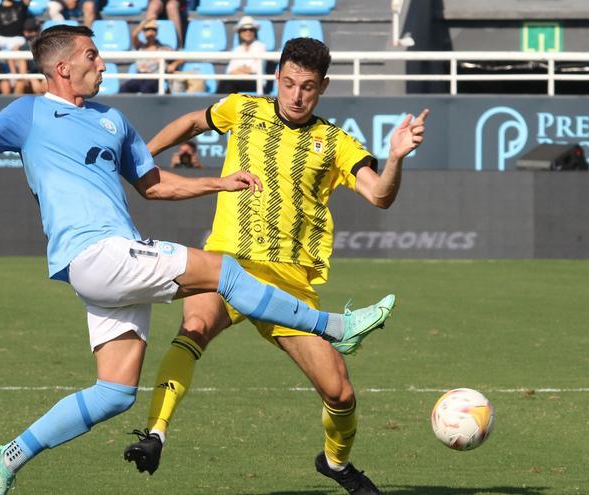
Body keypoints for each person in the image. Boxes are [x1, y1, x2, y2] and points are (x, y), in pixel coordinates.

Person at [0, 25, 394, 495]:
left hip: (115, 260)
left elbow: (154, 185)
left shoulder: (112, 121)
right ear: (63, 68)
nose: (102, 64)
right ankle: (335, 327)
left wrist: (216, 184)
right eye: (92, 56)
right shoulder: (29, 112)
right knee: (224, 272)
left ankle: (7, 457)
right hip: (96, 252)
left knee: (114, 394)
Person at [122, 37, 429, 495]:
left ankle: (336, 463)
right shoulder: (243, 110)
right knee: (195, 327)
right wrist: (140, 158)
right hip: (227, 261)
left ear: (322, 86)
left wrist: (395, 159)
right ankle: (155, 433)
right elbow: (191, 121)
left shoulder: (335, 142)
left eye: (307, 86)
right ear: (277, 79)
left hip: (290, 285)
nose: (296, 95)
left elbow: (380, 195)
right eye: (288, 83)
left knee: (340, 393)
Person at [119, 19, 181, 94]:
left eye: (153, 29)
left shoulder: (164, 48)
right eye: (147, 29)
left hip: (155, 78)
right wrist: (146, 22)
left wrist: (174, 64)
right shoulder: (140, 46)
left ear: (156, 32)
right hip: (140, 76)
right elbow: (134, 35)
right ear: (143, 32)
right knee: (124, 88)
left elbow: (182, 57)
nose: (150, 31)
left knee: (146, 88)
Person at [216, 16, 266, 95]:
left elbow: (255, 69)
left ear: (255, 32)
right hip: (239, 80)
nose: (248, 32)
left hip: (255, 82)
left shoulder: (260, 46)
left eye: (251, 29)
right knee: (224, 83)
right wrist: (244, 70)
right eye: (244, 30)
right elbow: (230, 70)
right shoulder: (237, 49)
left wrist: (239, 70)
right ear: (240, 32)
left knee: (227, 84)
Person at [12, 18, 47, 95]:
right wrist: (32, 78)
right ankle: (15, 107)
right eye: (29, 31)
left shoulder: (47, 46)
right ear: (24, 32)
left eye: (35, 30)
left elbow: (49, 69)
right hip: (30, 77)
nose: (33, 33)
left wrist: (45, 79)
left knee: (47, 86)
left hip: (45, 76)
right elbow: (23, 72)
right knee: (20, 85)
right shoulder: (22, 48)